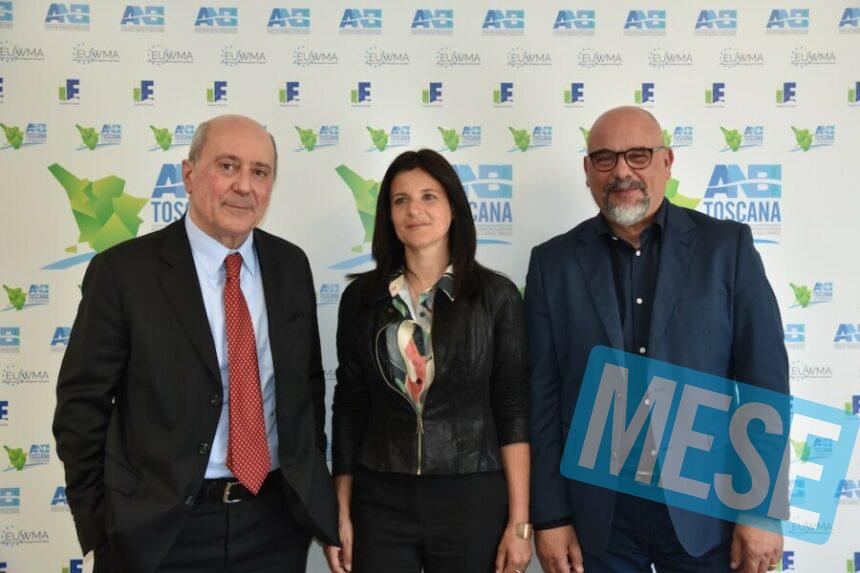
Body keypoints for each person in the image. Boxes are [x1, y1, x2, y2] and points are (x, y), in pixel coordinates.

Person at [53, 114, 338, 572]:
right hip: (159, 532)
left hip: (274, 525)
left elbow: (306, 390)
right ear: (188, 175)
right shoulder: (124, 273)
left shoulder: (290, 265)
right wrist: (103, 528)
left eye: (260, 172)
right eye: (227, 166)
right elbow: (81, 407)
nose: (244, 185)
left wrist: (314, 497)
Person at [526, 106, 789, 573]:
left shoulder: (726, 248)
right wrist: (551, 516)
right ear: (587, 171)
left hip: (708, 509)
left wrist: (761, 508)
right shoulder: (553, 264)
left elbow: (763, 384)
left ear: (666, 162)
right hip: (598, 517)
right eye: (605, 158)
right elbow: (541, 398)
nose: (622, 171)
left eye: (639, 155)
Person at [324, 149, 531, 573]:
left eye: (429, 197)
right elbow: (350, 406)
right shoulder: (361, 299)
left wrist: (520, 523)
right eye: (400, 200)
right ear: (388, 215)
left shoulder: (496, 297)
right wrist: (340, 510)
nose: (414, 210)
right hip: (380, 498)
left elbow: (512, 409)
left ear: (454, 207)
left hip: (472, 495)